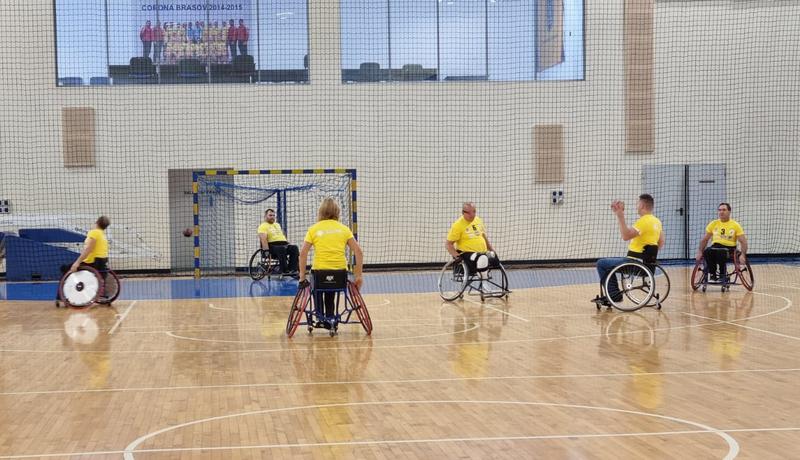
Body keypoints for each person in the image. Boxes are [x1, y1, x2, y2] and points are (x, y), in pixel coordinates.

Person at [298, 198, 363, 328]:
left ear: (320, 212)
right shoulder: (344, 229)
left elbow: (303, 254)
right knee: (331, 289)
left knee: (316, 287)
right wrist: (358, 276)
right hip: (340, 274)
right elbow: (358, 252)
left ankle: (320, 317)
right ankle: (330, 317)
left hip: (319, 273)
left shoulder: (313, 229)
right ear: (337, 212)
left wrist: (302, 277)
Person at [594, 194, 664, 306]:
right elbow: (660, 244)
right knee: (610, 263)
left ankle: (614, 296)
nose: (636, 206)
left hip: (633, 264)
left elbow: (625, 236)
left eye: (637, 203)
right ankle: (614, 295)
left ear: (642, 205)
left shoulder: (643, 222)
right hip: (648, 266)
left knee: (601, 263)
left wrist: (620, 215)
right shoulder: (657, 222)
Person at [56, 216, 111, 307]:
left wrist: (77, 262)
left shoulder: (94, 232)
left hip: (92, 262)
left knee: (65, 269)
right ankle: (101, 294)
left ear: (97, 222)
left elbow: (88, 249)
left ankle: (61, 296)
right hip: (102, 262)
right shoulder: (103, 235)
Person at [695, 202, 748, 282]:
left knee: (721, 252)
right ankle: (712, 275)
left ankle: (722, 274)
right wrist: (699, 252)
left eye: (724, 210)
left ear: (729, 211)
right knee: (707, 251)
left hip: (730, 248)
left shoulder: (735, 225)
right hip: (715, 246)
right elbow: (705, 240)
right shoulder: (713, 223)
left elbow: (743, 242)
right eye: (719, 210)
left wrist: (743, 255)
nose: (721, 212)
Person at [445, 202, 497, 273]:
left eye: (474, 211)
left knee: (492, 256)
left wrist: (491, 250)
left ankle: (483, 274)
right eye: (469, 213)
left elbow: (483, 237)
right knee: (482, 258)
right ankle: (484, 279)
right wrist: (457, 256)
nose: (472, 215)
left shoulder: (478, 220)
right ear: (463, 212)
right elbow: (448, 244)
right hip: (467, 255)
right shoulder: (457, 225)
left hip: (482, 252)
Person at [257, 209, 299, 276]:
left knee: (294, 248)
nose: (272, 217)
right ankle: (284, 270)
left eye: (273, 215)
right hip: (272, 246)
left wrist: (287, 243)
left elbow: (280, 236)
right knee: (281, 249)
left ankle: (292, 269)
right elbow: (263, 239)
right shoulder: (263, 226)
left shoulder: (277, 225)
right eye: (270, 215)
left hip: (283, 244)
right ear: (265, 216)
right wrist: (266, 251)